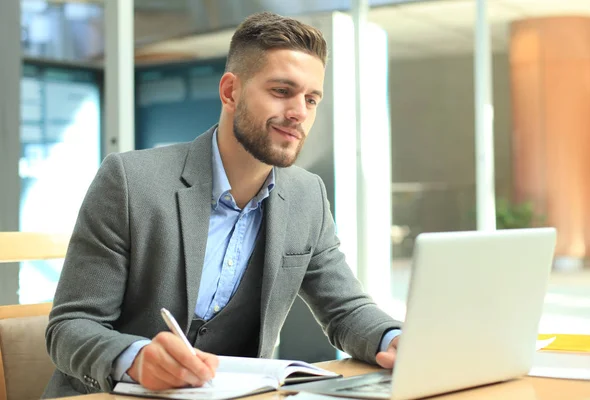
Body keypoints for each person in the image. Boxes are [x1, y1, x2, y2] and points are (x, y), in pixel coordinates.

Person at [42, 11, 401, 398]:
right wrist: (136, 358)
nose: (300, 112)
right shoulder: (130, 182)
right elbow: (70, 326)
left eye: (311, 99)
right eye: (282, 91)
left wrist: (393, 338)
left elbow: (345, 309)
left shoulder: (306, 196)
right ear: (230, 92)